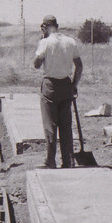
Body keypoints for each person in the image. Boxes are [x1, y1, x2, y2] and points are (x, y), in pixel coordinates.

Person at [33, 15, 82, 169]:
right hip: (66, 84)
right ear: (57, 25)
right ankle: (68, 161)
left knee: (50, 125)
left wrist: (42, 39)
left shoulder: (45, 42)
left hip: (50, 86)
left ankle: (50, 160)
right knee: (66, 125)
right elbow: (79, 66)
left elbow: (36, 64)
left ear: (44, 27)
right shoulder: (70, 41)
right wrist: (74, 84)